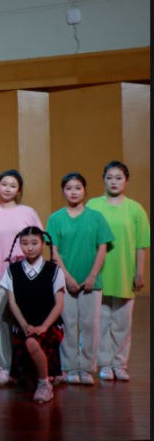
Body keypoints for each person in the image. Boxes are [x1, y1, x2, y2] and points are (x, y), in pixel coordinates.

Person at [87, 161, 149, 382]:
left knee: (122, 322)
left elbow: (141, 244)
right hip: (100, 272)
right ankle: (105, 364)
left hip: (124, 271)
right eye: (110, 177)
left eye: (119, 177)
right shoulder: (93, 205)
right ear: (103, 179)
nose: (114, 182)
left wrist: (139, 272)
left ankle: (120, 364)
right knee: (102, 321)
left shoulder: (135, 209)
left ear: (126, 181)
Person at [48, 172, 112, 385]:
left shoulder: (96, 217)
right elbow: (53, 251)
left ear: (85, 190)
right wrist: (67, 277)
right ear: (63, 191)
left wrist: (92, 275)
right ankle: (69, 368)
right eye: (69, 188)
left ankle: (86, 368)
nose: (73, 192)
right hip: (64, 282)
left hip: (92, 283)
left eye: (78, 188)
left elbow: (102, 247)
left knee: (91, 326)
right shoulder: (55, 218)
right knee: (67, 325)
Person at [0, 169, 43, 382]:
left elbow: (38, 240)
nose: (7, 188)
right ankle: (8, 367)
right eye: (4, 184)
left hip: (28, 274)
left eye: (13, 185)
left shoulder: (28, 212)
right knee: (4, 321)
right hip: (2, 274)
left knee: (29, 318)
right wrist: (3, 260)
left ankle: (31, 365)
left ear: (18, 190)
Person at [0, 227, 66, 404]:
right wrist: (24, 325)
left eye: (34, 243)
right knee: (25, 381)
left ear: (43, 244)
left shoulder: (54, 270)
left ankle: (45, 384)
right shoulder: (13, 270)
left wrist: (44, 326)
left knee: (32, 342)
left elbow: (59, 304)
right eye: (25, 243)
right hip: (24, 326)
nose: (29, 247)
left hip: (48, 326)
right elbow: (12, 302)